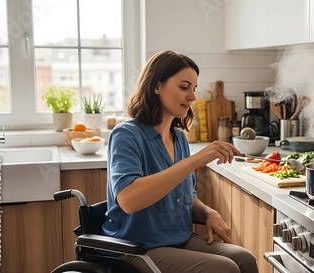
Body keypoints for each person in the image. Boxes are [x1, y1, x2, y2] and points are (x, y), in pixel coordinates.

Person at [101, 50, 259, 273]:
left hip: (177, 239)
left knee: (244, 259)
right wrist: (194, 161)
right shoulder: (126, 135)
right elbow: (128, 200)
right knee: (224, 269)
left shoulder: (179, 139)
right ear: (156, 86)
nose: (192, 96)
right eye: (184, 87)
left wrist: (207, 213)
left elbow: (183, 197)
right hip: (135, 246)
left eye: (193, 89)